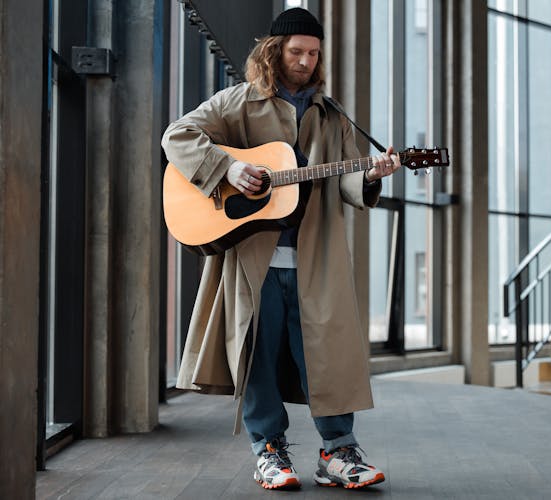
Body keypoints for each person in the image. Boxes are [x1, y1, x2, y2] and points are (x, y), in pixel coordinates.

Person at [161, 7, 400, 491]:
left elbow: (347, 178)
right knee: (258, 354)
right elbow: (177, 136)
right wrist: (227, 169)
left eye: (314, 54)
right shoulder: (238, 102)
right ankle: (268, 450)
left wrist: (370, 174)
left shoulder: (332, 115)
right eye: (297, 52)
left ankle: (338, 451)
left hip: (316, 258)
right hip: (254, 257)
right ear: (274, 51)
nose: (306, 62)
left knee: (327, 356)